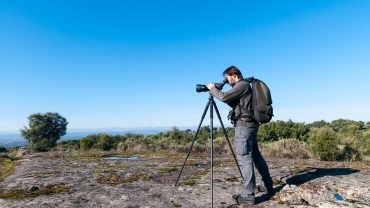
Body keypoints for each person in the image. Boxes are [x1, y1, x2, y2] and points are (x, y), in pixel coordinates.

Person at [206, 66, 274, 205]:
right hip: (250, 126)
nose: (227, 81)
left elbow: (224, 97)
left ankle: (248, 195)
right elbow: (236, 103)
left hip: (244, 127)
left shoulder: (241, 85)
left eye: (227, 78)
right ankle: (267, 185)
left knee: (244, 158)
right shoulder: (244, 86)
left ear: (234, 75)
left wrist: (212, 89)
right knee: (255, 156)